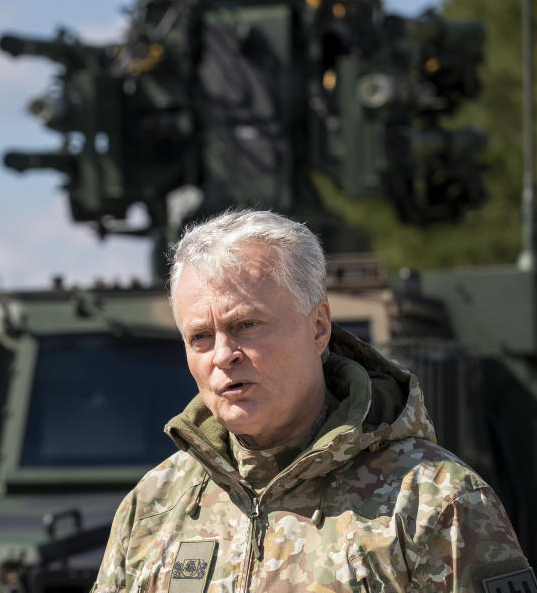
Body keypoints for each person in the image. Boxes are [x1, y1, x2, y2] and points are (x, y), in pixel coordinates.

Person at [91, 209, 534, 592]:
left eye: (247, 324)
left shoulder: (434, 504)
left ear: (318, 328)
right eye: (200, 337)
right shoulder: (153, 508)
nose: (224, 356)